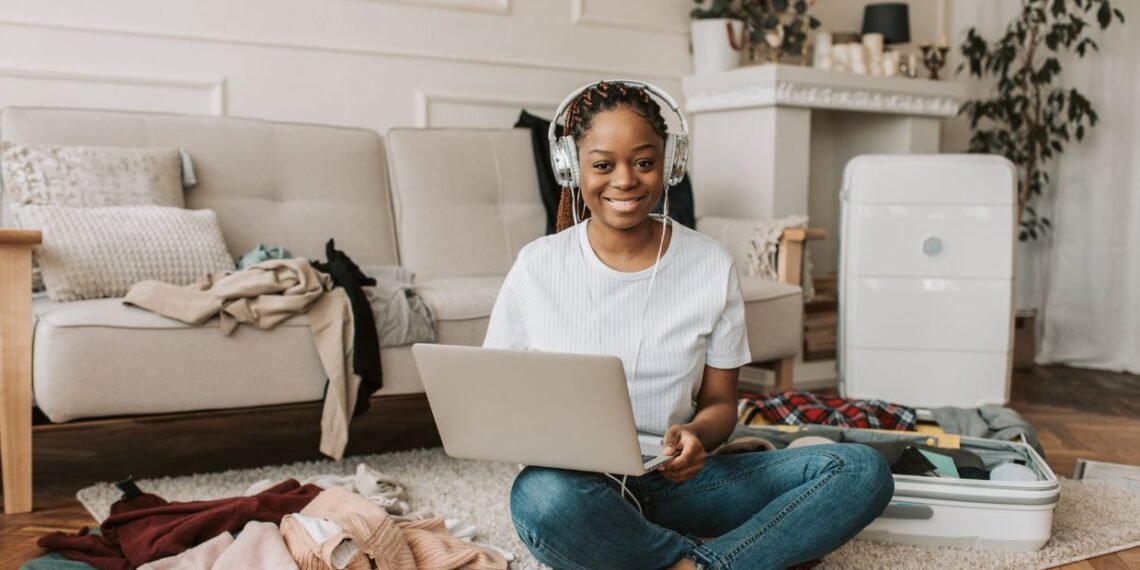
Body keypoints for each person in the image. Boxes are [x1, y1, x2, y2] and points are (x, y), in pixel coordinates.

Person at [483, 80, 894, 570]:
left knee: (858, 470)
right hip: (579, 485)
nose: (624, 181)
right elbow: (500, 400)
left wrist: (698, 434)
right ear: (571, 167)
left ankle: (678, 561)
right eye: (601, 164)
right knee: (539, 498)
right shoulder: (537, 267)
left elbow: (721, 404)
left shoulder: (709, 264)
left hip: (678, 482)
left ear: (670, 163)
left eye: (643, 162)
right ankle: (721, 559)